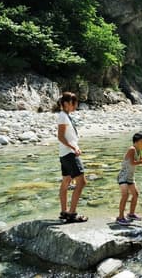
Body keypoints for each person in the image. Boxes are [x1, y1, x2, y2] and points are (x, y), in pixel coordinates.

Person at [55, 92, 88, 223]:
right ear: (67, 103)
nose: (76, 106)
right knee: (82, 182)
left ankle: (64, 211)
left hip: (64, 154)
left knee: (66, 181)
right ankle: (72, 213)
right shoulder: (63, 117)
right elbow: (60, 136)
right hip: (69, 154)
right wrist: (74, 148)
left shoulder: (65, 116)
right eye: (74, 103)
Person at [117, 132, 142, 226]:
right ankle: (120, 217)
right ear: (138, 141)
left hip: (130, 177)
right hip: (123, 176)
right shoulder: (132, 149)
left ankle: (131, 214)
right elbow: (133, 163)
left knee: (135, 194)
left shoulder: (139, 151)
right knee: (125, 195)